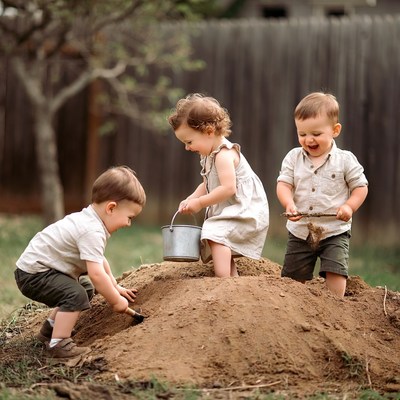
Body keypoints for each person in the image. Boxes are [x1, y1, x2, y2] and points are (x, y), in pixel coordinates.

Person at [14, 165, 146, 359]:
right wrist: (116, 301)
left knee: (85, 289)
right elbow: (96, 274)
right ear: (111, 208)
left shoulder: (91, 221)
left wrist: (115, 285)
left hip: (43, 270)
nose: (128, 224)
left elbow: (99, 260)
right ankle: (59, 344)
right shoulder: (91, 230)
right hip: (34, 275)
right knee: (75, 294)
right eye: (129, 217)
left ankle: (49, 331)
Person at [276, 92, 368, 297]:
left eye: (316, 134)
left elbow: (361, 187)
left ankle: (334, 307)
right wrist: (288, 203)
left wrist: (349, 207)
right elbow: (283, 184)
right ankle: (293, 308)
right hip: (300, 231)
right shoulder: (293, 157)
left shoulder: (345, 160)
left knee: (336, 272)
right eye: (302, 134)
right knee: (292, 280)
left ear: (335, 130)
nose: (308, 139)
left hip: (334, 230)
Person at [168, 93, 269, 278]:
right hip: (232, 209)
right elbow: (207, 184)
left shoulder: (223, 155)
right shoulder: (207, 155)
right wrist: (192, 198)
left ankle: (222, 280)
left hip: (246, 209)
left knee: (215, 232)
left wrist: (200, 204)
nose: (187, 147)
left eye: (189, 142)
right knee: (219, 236)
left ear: (209, 132)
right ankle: (231, 280)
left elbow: (228, 188)